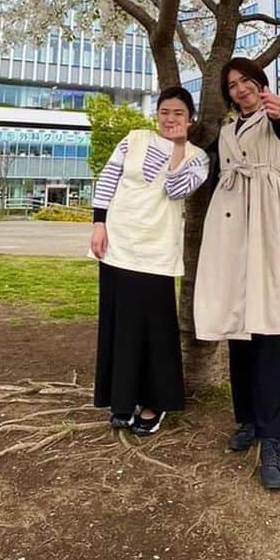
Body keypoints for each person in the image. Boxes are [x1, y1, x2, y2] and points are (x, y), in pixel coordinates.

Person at [194, 58, 280, 492]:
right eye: (233, 85)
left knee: (273, 323)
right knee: (239, 323)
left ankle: (273, 441)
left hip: (267, 225)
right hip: (230, 227)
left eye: (248, 81)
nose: (242, 89)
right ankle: (247, 418)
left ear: (261, 84)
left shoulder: (274, 116)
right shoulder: (226, 132)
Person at [90, 85, 209, 438]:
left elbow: (175, 189)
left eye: (179, 114)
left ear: (190, 119)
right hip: (117, 242)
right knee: (119, 325)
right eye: (165, 112)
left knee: (154, 329)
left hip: (155, 252)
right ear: (156, 114)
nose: (170, 119)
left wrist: (178, 147)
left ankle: (154, 402)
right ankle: (121, 399)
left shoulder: (198, 157)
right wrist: (98, 223)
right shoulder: (134, 138)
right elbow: (108, 178)